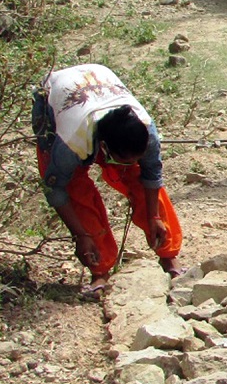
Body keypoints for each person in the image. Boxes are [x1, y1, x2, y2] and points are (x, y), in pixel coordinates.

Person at [33, 64, 183, 295]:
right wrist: (80, 235)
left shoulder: (146, 133)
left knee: (137, 178)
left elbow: (151, 174)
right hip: (55, 102)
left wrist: (154, 216)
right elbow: (56, 190)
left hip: (97, 83)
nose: (132, 161)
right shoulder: (69, 144)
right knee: (76, 191)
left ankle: (168, 256)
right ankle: (99, 270)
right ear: (103, 148)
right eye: (122, 158)